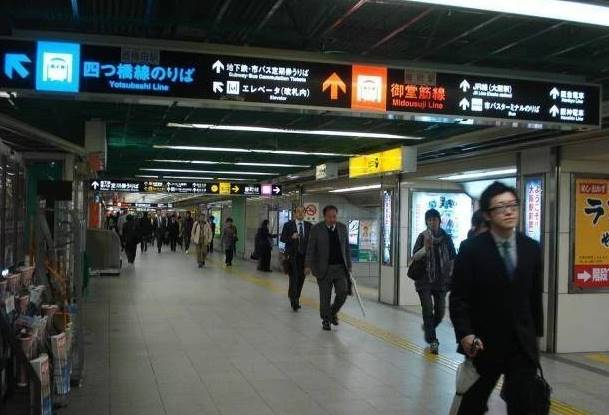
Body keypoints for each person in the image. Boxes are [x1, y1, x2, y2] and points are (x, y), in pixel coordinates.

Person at [449, 181, 544, 415]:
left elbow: (534, 296)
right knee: (472, 405)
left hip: (521, 346)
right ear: (487, 215)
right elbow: (459, 297)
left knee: (524, 405)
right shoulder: (471, 249)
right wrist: (465, 334)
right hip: (483, 344)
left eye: (513, 205)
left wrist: (535, 338)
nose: (509, 211)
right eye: (501, 207)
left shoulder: (531, 248)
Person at [411, 209, 456, 354]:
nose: (432, 222)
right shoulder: (422, 236)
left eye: (434, 219)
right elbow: (415, 256)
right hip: (424, 279)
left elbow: (453, 257)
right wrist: (425, 248)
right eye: (429, 220)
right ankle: (433, 341)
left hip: (441, 280)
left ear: (439, 221)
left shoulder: (446, 238)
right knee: (427, 309)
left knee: (440, 312)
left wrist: (451, 274)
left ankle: (428, 327)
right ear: (426, 222)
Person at [305, 205, 352, 331]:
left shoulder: (342, 228)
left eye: (334, 217)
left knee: (343, 292)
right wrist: (307, 265)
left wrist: (349, 266)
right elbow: (310, 249)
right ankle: (326, 319)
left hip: (340, 268)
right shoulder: (316, 229)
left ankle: (332, 312)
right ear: (324, 216)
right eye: (329, 217)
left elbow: (347, 248)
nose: (332, 219)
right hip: (323, 268)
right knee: (325, 296)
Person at [280, 207, 312, 311]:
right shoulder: (288, 225)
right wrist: (291, 237)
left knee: (301, 279)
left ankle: (296, 297)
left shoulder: (309, 226)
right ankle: (294, 300)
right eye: (298, 211)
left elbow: (312, 242)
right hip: (292, 256)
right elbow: (282, 239)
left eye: (303, 212)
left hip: (304, 257)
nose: (300, 213)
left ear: (305, 213)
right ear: (294, 213)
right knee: (294, 278)